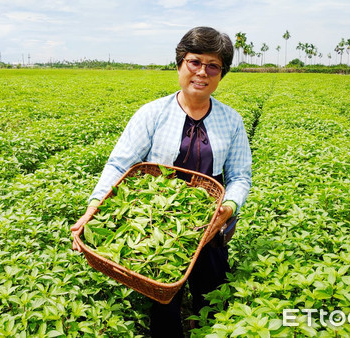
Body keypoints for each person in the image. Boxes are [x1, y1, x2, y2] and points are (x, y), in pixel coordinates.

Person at [71, 26, 252, 337]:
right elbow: (119, 164)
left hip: (209, 217)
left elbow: (240, 176)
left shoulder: (231, 120)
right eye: (195, 62)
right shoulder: (151, 114)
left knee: (212, 291)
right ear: (180, 63)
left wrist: (229, 207)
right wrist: (93, 207)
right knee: (161, 292)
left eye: (213, 66)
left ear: (222, 73)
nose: (202, 73)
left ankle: (203, 324)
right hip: (159, 219)